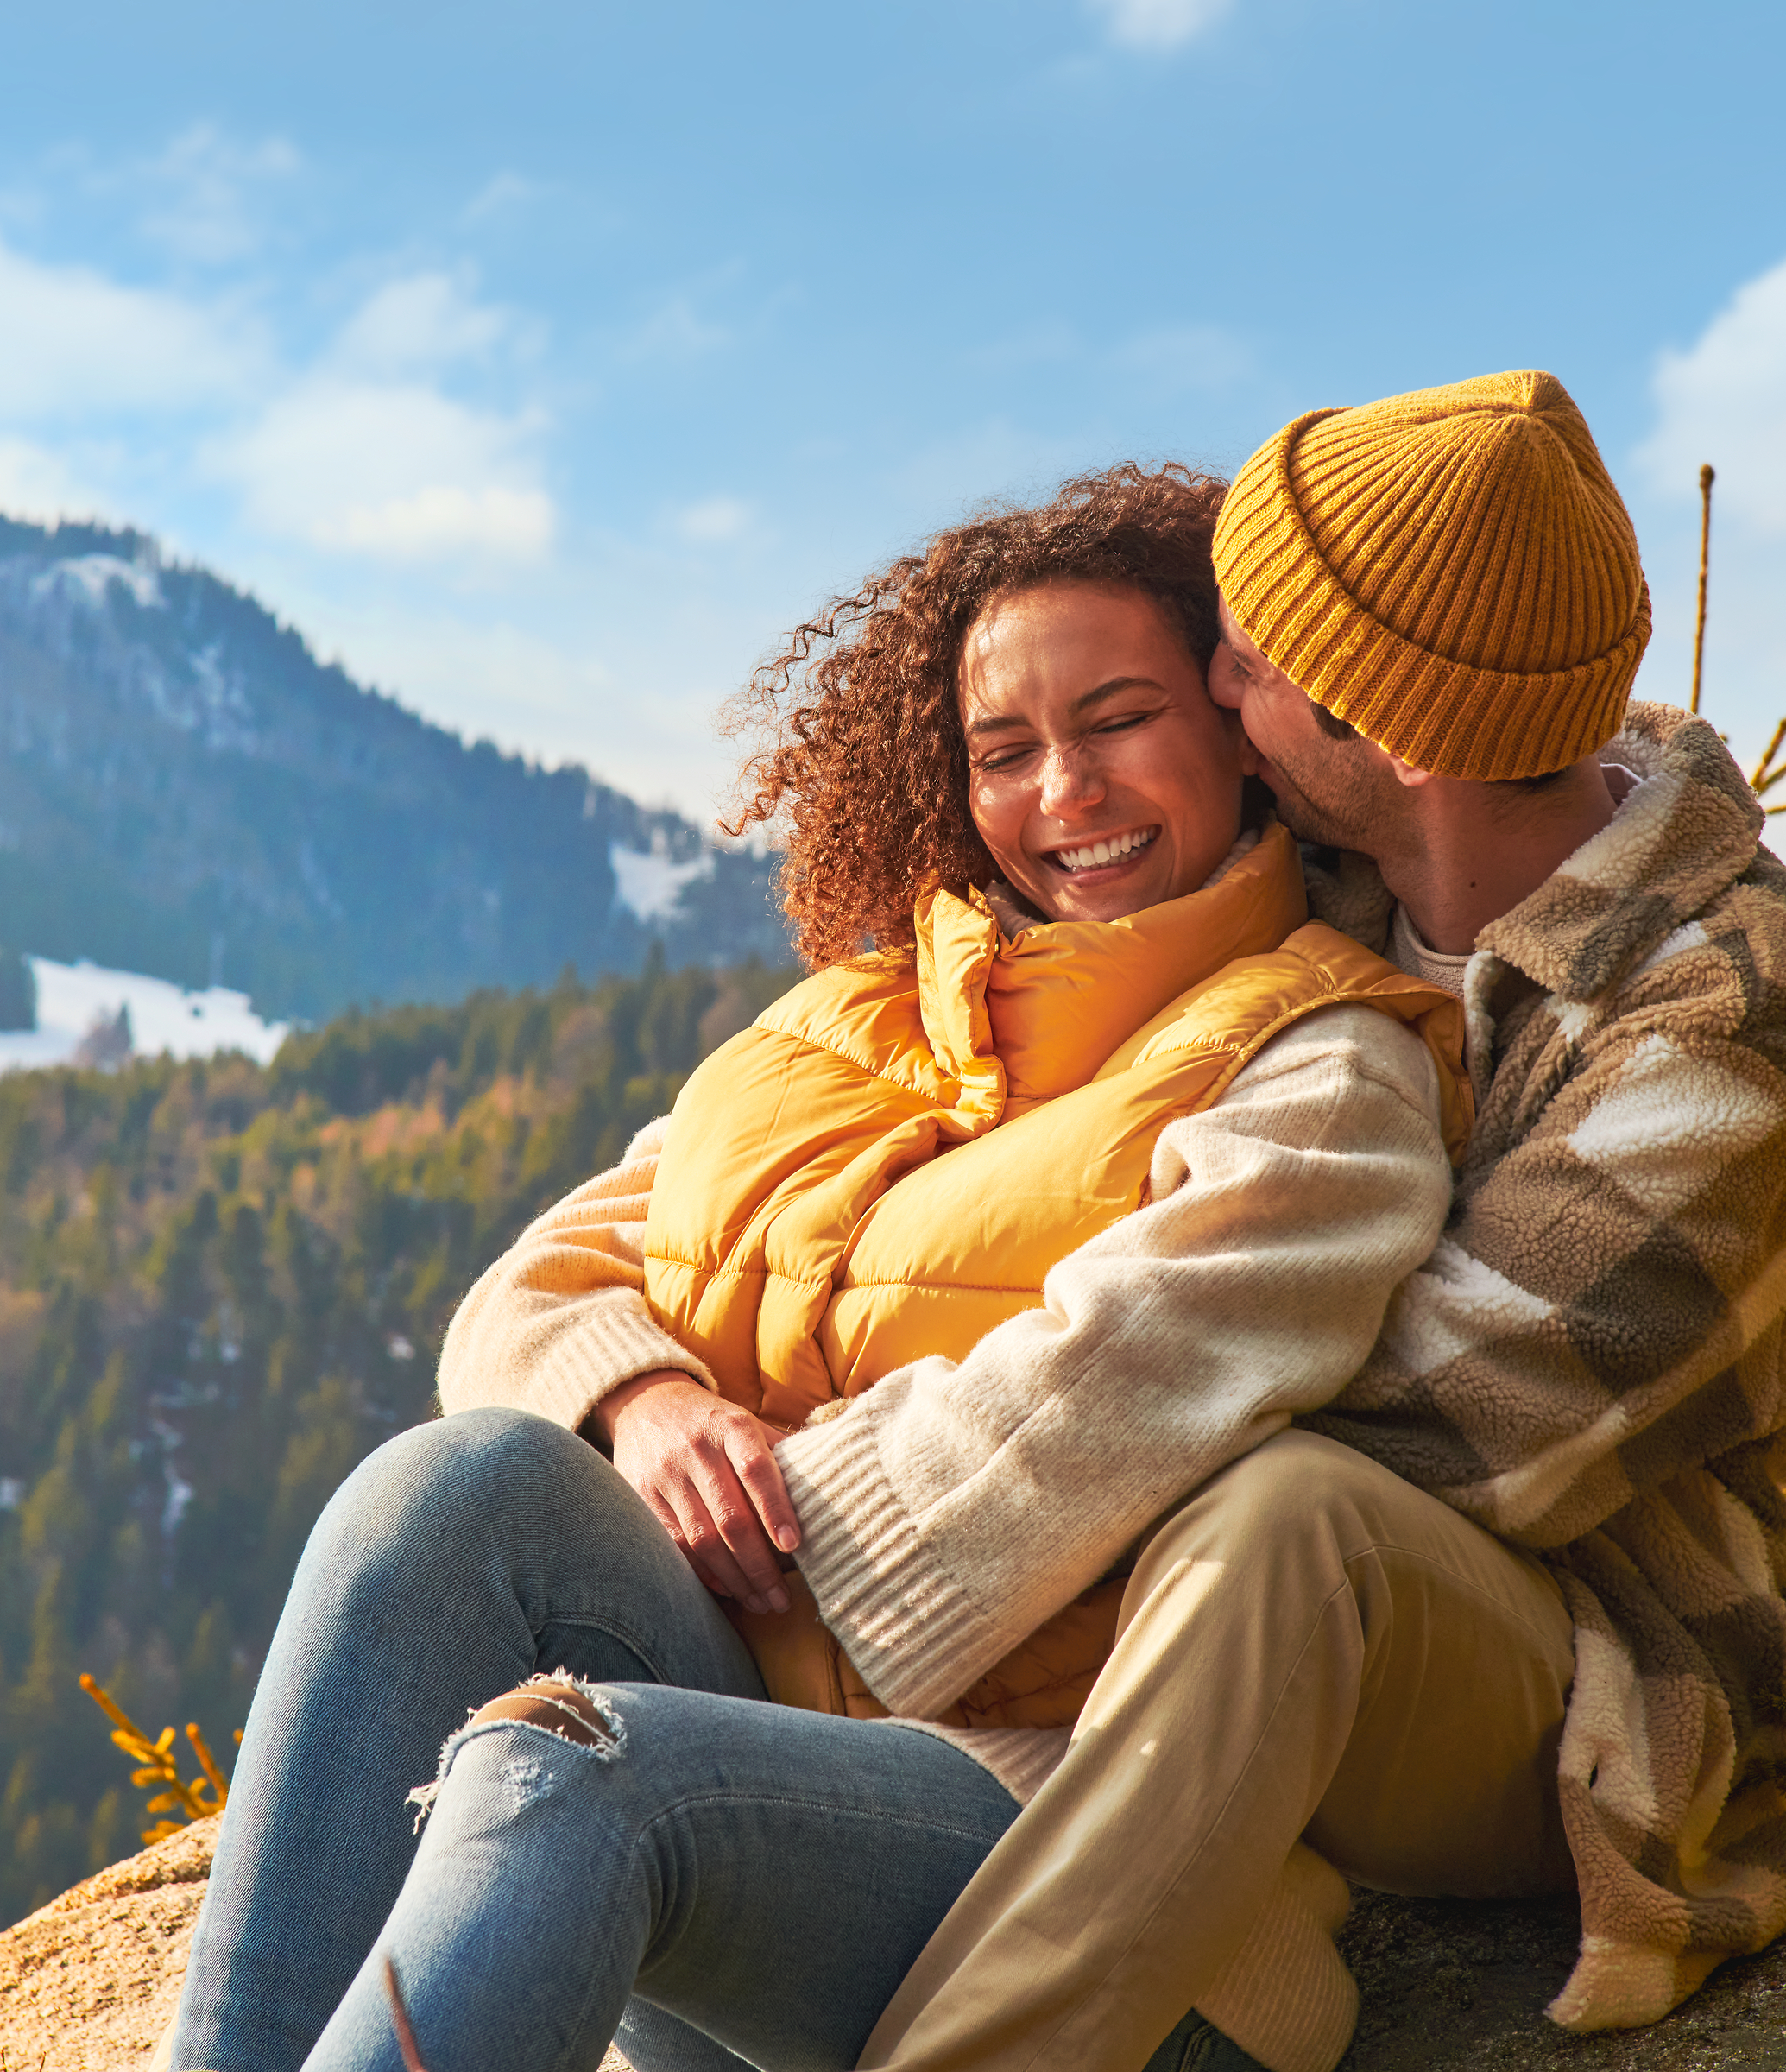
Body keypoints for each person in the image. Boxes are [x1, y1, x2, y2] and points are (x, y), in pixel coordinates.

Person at [159, 464, 1485, 2072]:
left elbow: (1093, 1408)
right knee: (447, 1492)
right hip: (764, 1741)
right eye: (1005, 751)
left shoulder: (1323, 1065)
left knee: (568, 1767)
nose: (1065, 790)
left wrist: (760, 1496)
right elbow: (536, 1287)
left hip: (1071, 1849)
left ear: (1237, 723)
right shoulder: (854, 1021)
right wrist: (649, 1405)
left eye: (1119, 720)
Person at [855, 371, 1786, 2072]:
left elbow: (1458, 1428)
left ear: (1397, 737)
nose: (1215, 686)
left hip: (1582, 1681)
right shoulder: (1287, 873)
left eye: (1253, 663)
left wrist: (926, 1450)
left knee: (1296, 1517)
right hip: (1178, 1644)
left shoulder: (1736, 1007)